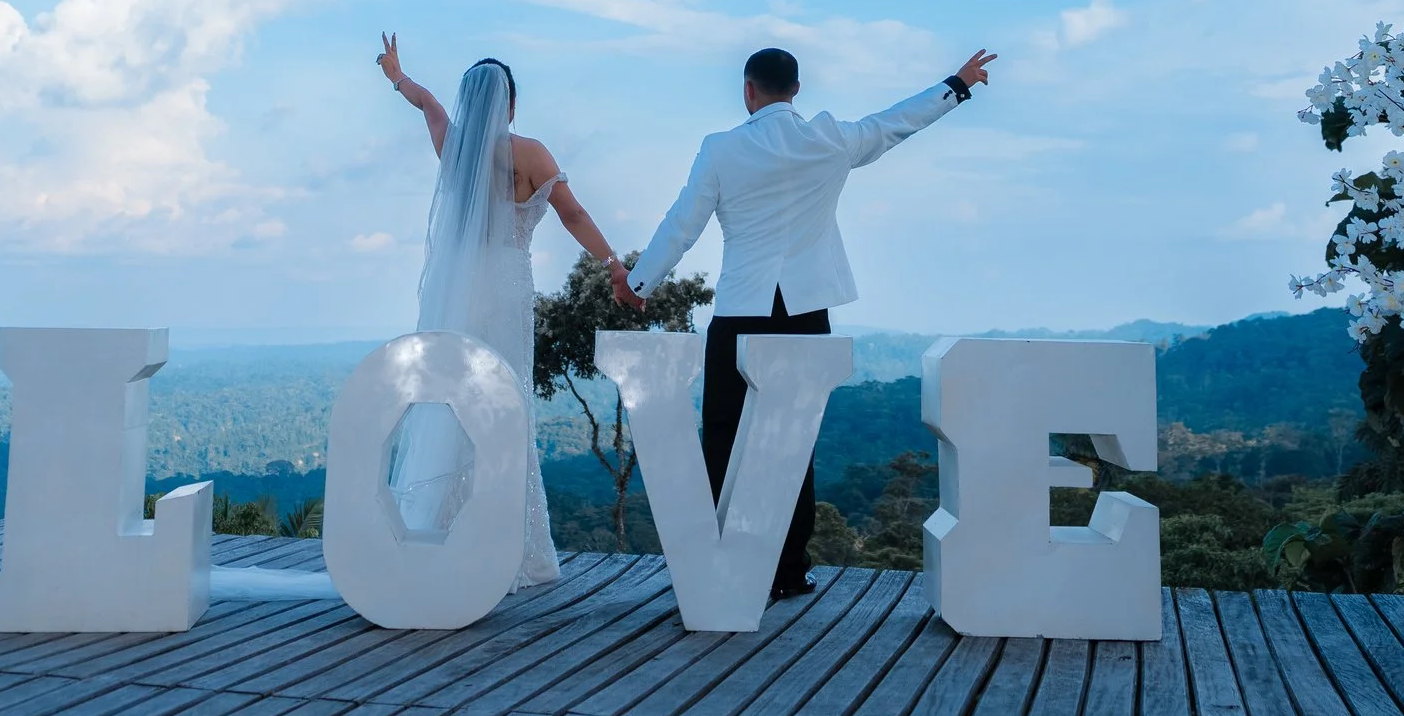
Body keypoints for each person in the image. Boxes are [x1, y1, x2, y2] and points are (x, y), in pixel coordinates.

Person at [621, 44, 996, 600]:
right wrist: (956, 85)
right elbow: (894, 124)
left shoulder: (721, 148)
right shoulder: (829, 139)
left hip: (741, 313)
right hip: (804, 315)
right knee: (793, 444)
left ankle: (721, 566)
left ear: (748, 91)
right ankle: (788, 571)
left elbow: (682, 224)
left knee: (724, 439)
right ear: (796, 90)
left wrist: (638, 284)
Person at [377, 36, 624, 590]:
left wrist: (397, 75)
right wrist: (611, 262)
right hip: (509, 289)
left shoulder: (454, 150)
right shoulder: (530, 154)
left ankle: (447, 528)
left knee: (458, 405)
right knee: (505, 407)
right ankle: (511, 543)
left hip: (462, 292)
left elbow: (429, 105)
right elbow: (573, 213)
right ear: (510, 104)